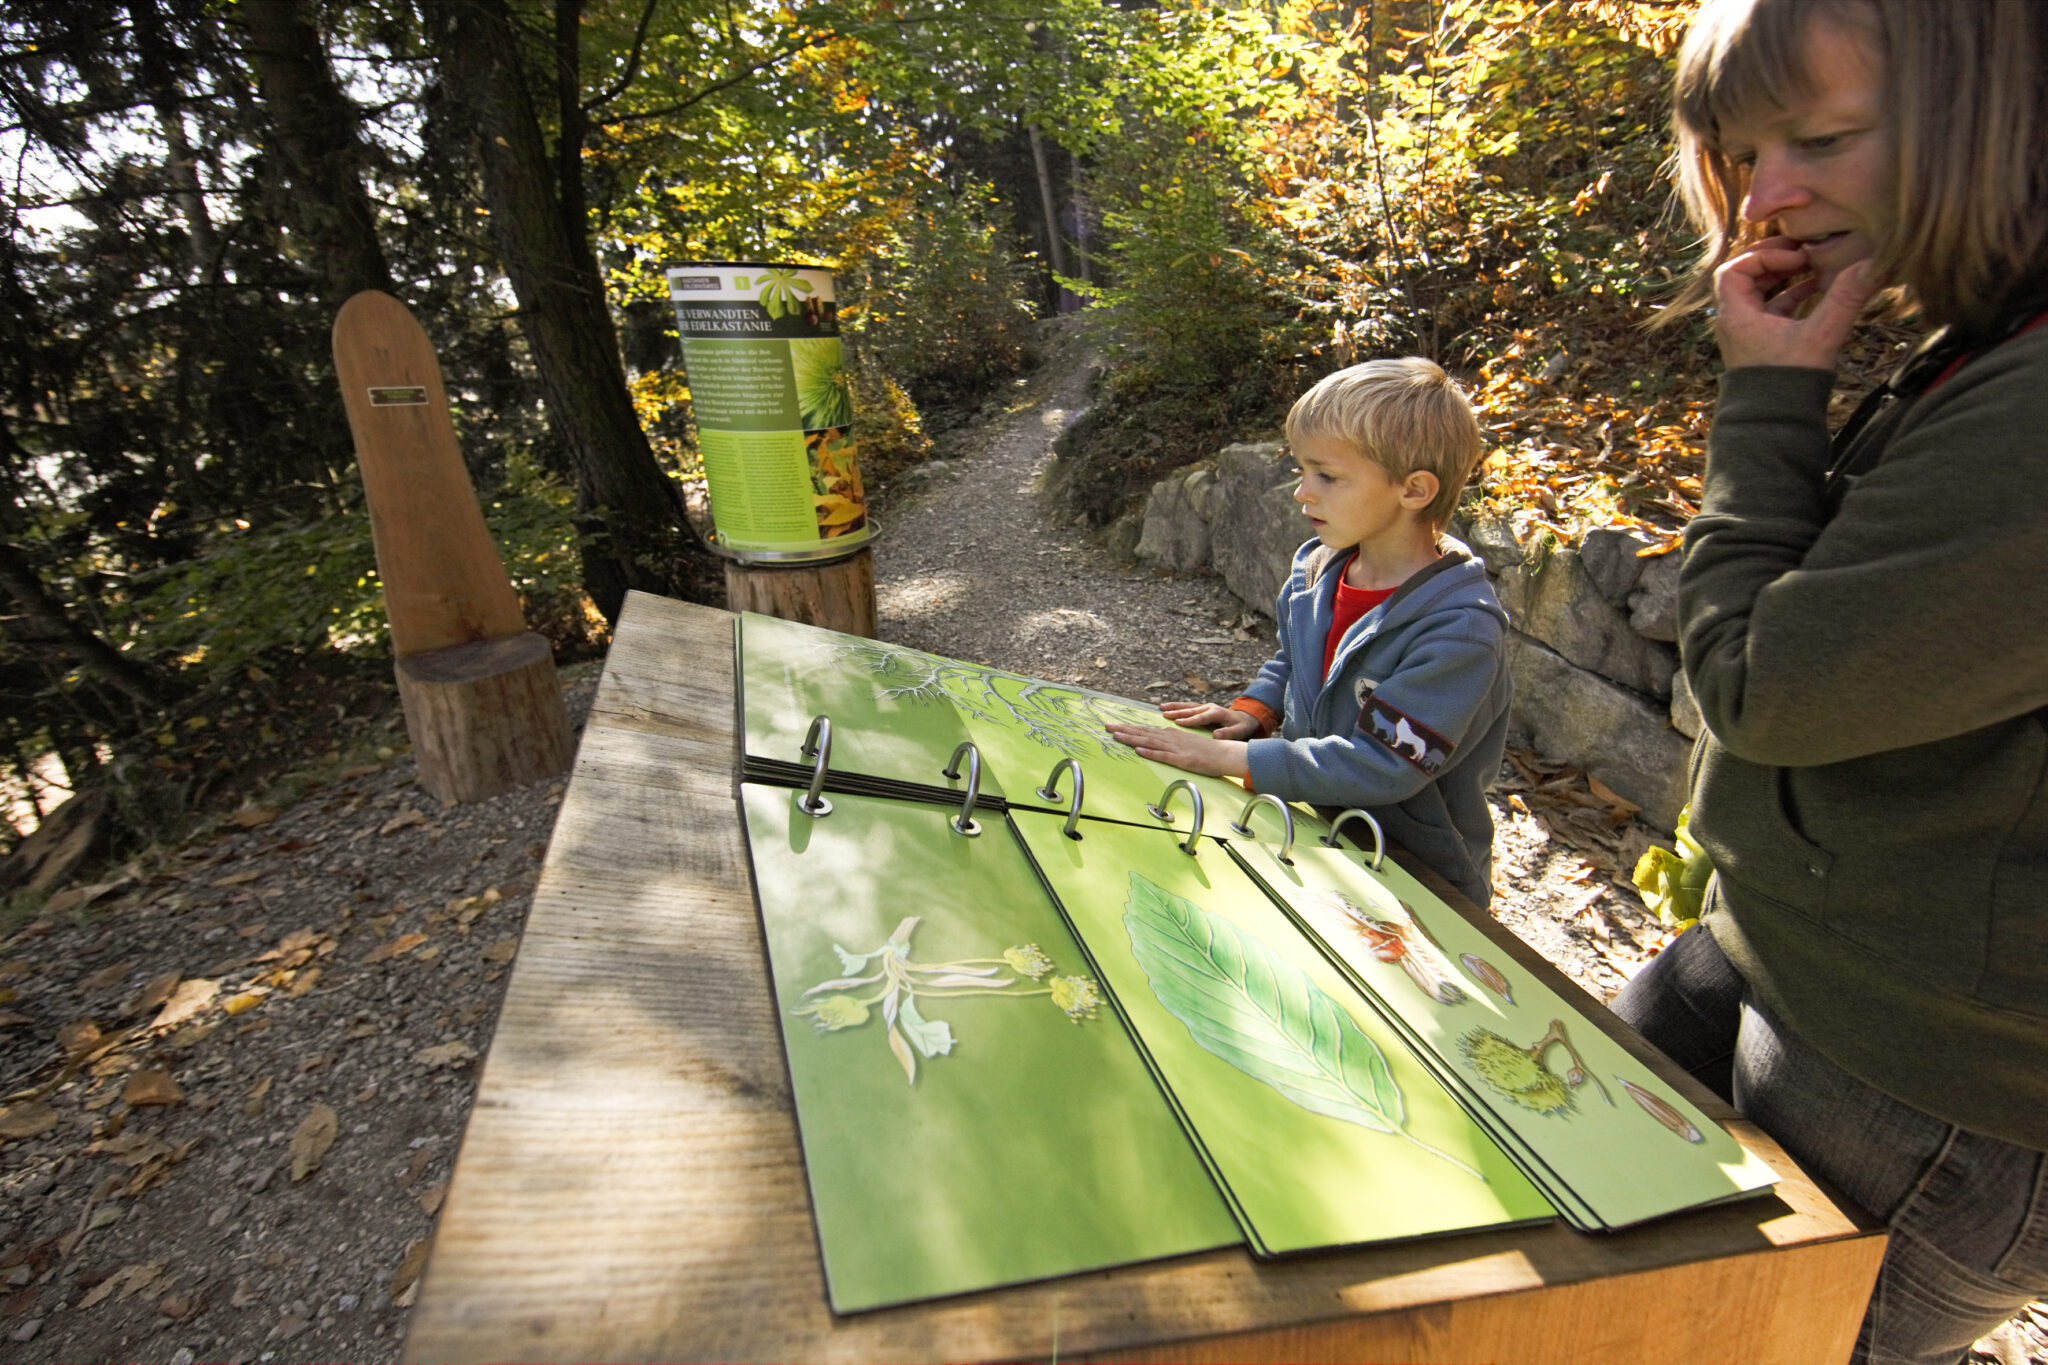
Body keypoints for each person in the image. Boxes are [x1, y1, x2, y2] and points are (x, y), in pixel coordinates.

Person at [1611, 2, 2048, 1362]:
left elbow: (1762, 685)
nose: (1772, 197)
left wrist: (1769, 398)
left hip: (1926, 1089)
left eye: (1826, 136)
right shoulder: (1988, 341)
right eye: (1748, 149)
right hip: (1776, 957)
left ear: (1995, 101)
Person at [1105, 357, 1508, 908]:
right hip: (1310, 831)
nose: (1302, 492)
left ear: (1413, 490)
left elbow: (1383, 764)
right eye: (1301, 471)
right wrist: (1256, 710)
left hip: (1411, 868)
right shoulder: (1320, 569)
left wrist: (1230, 761)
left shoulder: (1458, 631)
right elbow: (1296, 657)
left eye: (1327, 476)